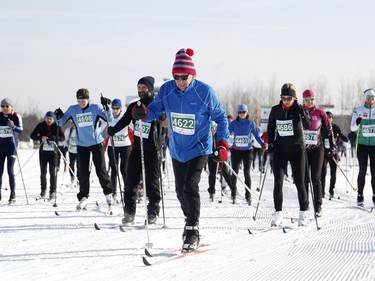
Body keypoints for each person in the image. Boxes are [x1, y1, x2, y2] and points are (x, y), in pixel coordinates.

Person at [131, 48, 229, 252]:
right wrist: (143, 113)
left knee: (190, 185)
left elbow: (220, 118)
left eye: (184, 77)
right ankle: (189, 220)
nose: (180, 81)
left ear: (193, 74)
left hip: (199, 147)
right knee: (179, 191)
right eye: (176, 76)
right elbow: (156, 110)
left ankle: (192, 230)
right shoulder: (167, 89)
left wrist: (222, 143)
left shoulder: (205, 92)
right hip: (177, 150)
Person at [108, 77, 163, 225]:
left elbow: (163, 117)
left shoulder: (156, 105)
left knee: (152, 183)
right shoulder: (133, 106)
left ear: (150, 89)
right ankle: (129, 213)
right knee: (130, 182)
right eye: (139, 87)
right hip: (137, 149)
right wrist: (113, 130)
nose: (141, 90)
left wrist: (149, 114)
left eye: (144, 87)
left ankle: (152, 213)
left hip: (152, 150)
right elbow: (124, 120)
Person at [53, 88, 115, 211]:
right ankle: (83, 196)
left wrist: (107, 107)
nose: (81, 102)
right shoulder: (72, 109)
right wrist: (57, 116)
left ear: (88, 99)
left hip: (96, 143)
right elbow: (60, 123)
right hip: (81, 145)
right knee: (82, 172)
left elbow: (110, 119)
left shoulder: (95, 108)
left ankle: (109, 194)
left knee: (101, 170)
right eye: (79, 100)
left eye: (84, 100)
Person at [267, 83, 312, 226]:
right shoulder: (275, 110)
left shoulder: (298, 109)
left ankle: (303, 213)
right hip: (280, 150)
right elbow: (271, 127)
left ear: (294, 98)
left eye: (289, 98)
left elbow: (309, 125)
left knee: (299, 182)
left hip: (297, 150)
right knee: (278, 181)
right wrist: (271, 143)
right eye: (283, 97)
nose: (286, 101)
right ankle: (278, 214)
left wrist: (303, 113)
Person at [302, 90, 335, 217]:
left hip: (317, 149)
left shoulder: (320, 113)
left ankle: (318, 206)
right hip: (304, 150)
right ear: (303, 100)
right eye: (307, 99)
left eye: (311, 99)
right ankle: (304, 205)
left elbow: (328, 129)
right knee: (304, 178)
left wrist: (331, 146)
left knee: (316, 177)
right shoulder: (300, 112)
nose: (309, 102)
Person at [229, 104, 264, 205]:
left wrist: (262, 143)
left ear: (247, 113)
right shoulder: (233, 124)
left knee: (246, 173)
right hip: (236, 150)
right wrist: (222, 141)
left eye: (243, 112)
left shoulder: (251, 124)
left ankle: (248, 195)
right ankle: (233, 194)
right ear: (238, 113)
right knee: (234, 173)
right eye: (240, 112)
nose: (241, 114)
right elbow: (228, 134)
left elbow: (256, 136)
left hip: (247, 151)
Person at [31, 111, 65, 200]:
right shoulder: (41, 125)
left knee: (52, 172)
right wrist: (41, 137)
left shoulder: (57, 126)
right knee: (43, 172)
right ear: (45, 118)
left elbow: (63, 137)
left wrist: (55, 138)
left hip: (53, 153)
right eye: (47, 118)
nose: (48, 120)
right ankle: (43, 190)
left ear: (53, 119)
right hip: (43, 153)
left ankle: (52, 191)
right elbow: (32, 136)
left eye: (50, 119)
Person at [350, 88, 375, 207]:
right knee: (362, 170)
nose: (371, 99)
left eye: (373, 97)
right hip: (362, 145)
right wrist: (357, 123)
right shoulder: (358, 110)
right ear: (365, 98)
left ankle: (374, 195)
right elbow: (353, 128)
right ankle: (360, 195)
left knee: (374, 172)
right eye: (369, 97)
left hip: (374, 145)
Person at [105, 98, 132, 204]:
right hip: (113, 146)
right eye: (113, 108)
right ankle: (113, 192)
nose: (115, 110)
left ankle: (127, 192)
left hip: (125, 145)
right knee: (114, 170)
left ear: (121, 109)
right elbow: (102, 128)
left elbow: (133, 126)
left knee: (124, 170)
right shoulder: (109, 117)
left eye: (117, 108)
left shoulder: (125, 117)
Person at [0, 98, 23, 204]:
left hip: (11, 147)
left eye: (7, 106)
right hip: (1, 147)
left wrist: (13, 126)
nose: (4, 108)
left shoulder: (16, 116)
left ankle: (13, 193)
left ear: (11, 107)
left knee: (10, 171)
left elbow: (21, 130)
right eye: (2, 106)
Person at [321, 111, 348, 198]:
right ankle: (322, 192)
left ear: (332, 119)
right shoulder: (321, 127)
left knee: (333, 173)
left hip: (333, 152)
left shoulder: (335, 127)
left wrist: (346, 138)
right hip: (324, 152)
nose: (329, 119)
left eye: (330, 117)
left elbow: (340, 135)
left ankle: (331, 190)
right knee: (323, 172)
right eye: (327, 117)